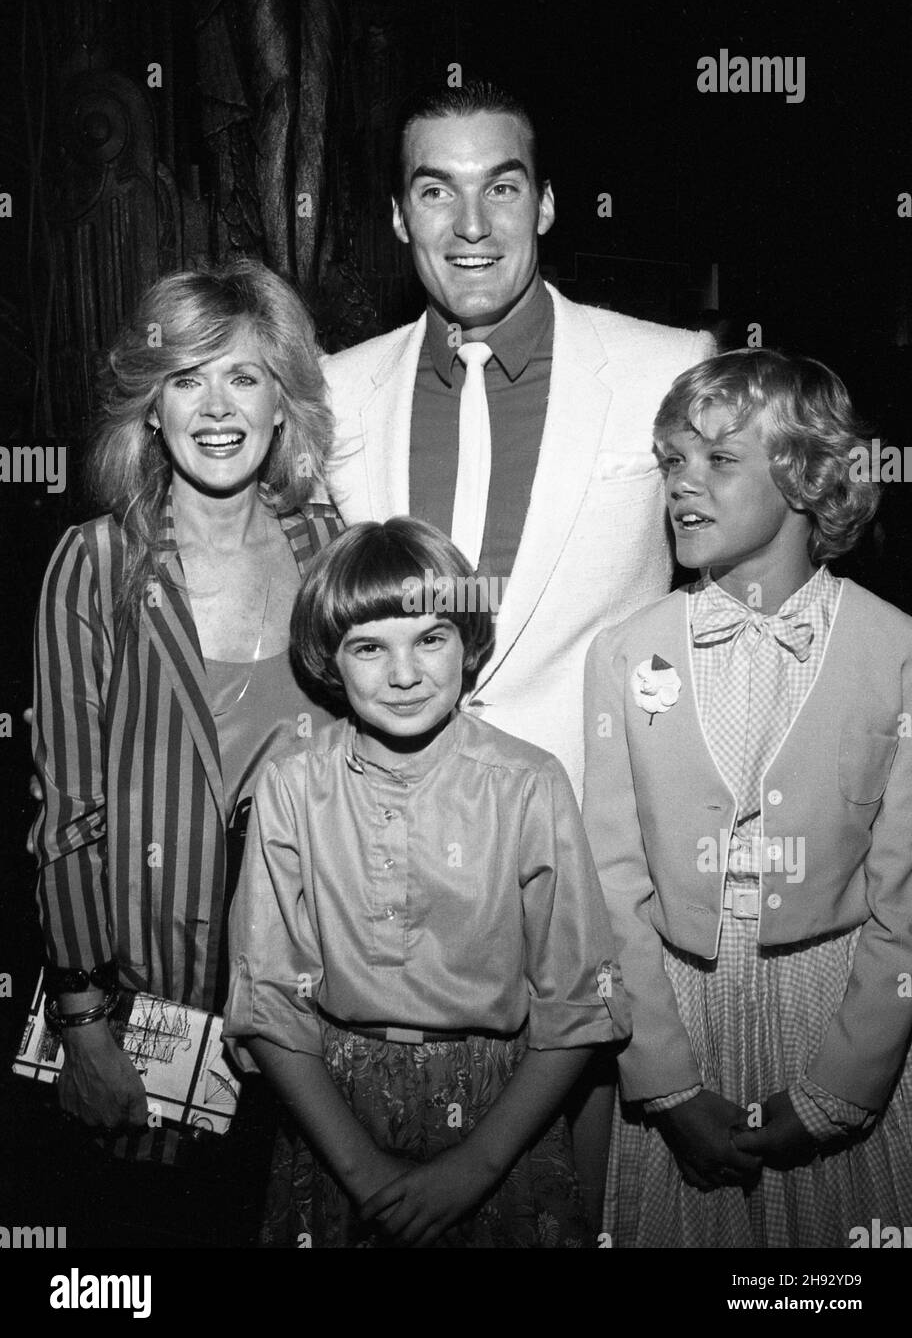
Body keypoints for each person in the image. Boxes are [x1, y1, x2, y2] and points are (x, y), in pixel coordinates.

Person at [223, 517, 631, 1247]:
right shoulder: (292, 788)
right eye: (370, 648)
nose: (405, 675)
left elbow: (579, 1005)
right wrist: (365, 1175)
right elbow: (269, 1002)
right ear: (328, 660)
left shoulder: (528, 784)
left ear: (467, 642)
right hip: (333, 1109)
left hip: (503, 1112)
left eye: (430, 639)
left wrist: (476, 1166)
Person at [582, 347, 912, 1247]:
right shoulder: (625, 653)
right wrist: (667, 1084)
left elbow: (906, 903)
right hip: (678, 1011)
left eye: (720, 459)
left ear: (806, 478)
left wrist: (841, 1087)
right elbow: (612, 886)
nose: (682, 484)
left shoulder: (895, 652)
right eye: (672, 461)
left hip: (835, 1010)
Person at [29, 259, 339, 1173]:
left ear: (281, 404)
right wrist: (84, 1028)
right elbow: (68, 815)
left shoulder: (330, 551)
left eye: (243, 377)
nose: (216, 409)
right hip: (147, 1018)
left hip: (311, 1010)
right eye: (186, 379)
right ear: (150, 409)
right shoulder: (98, 563)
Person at [322, 79, 716, 798]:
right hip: (388, 822)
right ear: (400, 217)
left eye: (501, 189)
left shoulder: (667, 369)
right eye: (436, 192)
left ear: (545, 204)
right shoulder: (336, 393)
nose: (471, 225)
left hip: (595, 821)